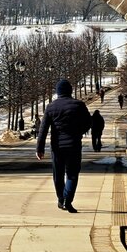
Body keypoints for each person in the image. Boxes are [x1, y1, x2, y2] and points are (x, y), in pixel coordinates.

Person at [36, 79, 91, 213]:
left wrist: (40, 149)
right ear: (70, 91)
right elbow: (89, 122)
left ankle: (61, 199)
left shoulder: (51, 107)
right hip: (74, 145)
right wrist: (78, 132)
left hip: (57, 147)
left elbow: (43, 129)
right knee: (72, 174)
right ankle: (68, 200)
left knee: (58, 175)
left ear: (57, 92)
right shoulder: (79, 105)